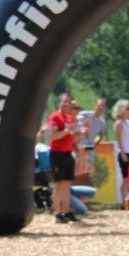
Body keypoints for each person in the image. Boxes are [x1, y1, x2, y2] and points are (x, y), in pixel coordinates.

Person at [48, 94, 78, 222]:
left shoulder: (70, 118)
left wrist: (80, 133)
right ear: (59, 103)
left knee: (66, 183)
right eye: (64, 102)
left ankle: (66, 211)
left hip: (67, 153)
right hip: (57, 153)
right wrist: (66, 131)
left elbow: (71, 136)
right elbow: (53, 136)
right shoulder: (55, 116)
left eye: (68, 102)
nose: (66, 104)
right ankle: (57, 212)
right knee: (59, 183)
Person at [76, 97, 108, 181]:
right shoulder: (84, 114)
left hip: (90, 149)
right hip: (79, 147)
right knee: (77, 171)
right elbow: (74, 121)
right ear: (95, 106)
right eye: (99, 105)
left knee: (88, 172)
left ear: (104, 109)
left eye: (103, 106)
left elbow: (100, 135)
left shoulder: (102, 122)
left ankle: (84, 187)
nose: (100, 108)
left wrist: (94, 143)